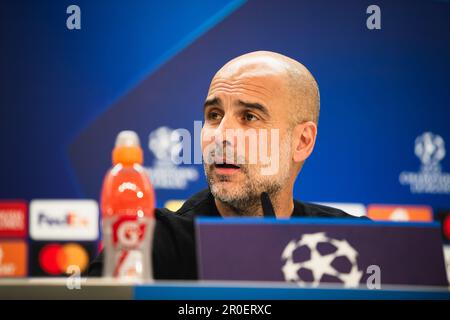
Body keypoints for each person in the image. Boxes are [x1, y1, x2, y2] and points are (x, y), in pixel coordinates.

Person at [88, 51, 366, 279]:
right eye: (214, 115)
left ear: (302, 142)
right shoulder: (150, 244)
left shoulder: (355, 243)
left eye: (249, 117)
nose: (220, 135)